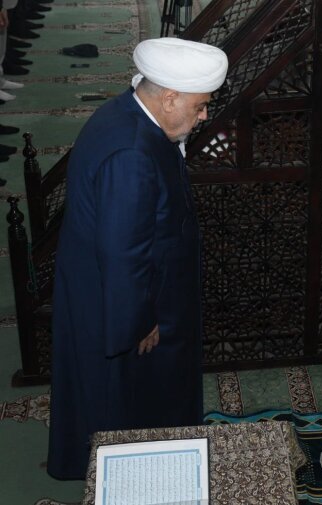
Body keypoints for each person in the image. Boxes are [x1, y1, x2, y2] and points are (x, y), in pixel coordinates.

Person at [47, 37, 228, 480]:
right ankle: (140, 477)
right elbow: (122, 251)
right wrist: (138, 321)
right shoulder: (130, 153)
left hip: (125, 289)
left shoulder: (132, 114)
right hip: (127, 301)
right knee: (131, 397)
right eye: (200, 106)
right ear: (169, 97)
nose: (204, 116)